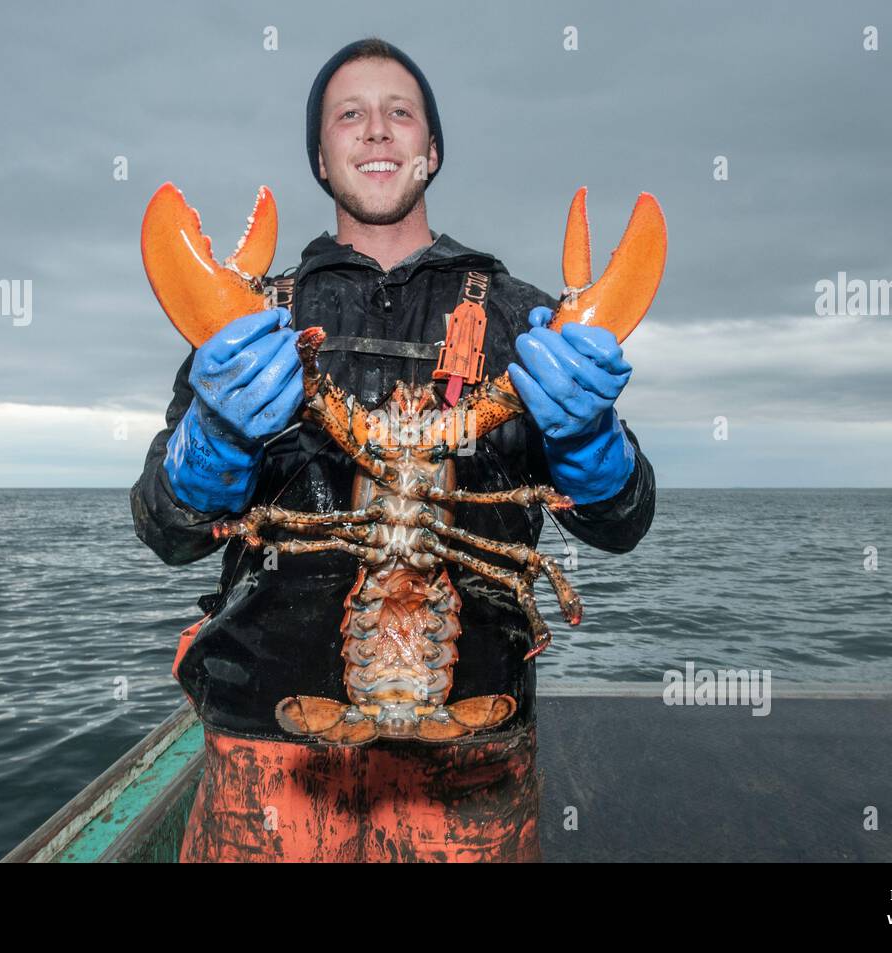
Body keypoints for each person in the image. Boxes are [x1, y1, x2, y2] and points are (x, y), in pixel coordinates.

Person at [130, 37, 656, 863]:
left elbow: (622, 525)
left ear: (432, 149)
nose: (376, 131)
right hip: (267, 758)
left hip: (470, 761)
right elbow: (166, 531)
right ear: (320, 155)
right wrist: (214, 437)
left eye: (399, 113)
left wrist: (594, 442)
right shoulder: (247, 326)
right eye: (350, 115)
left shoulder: (527, 319)